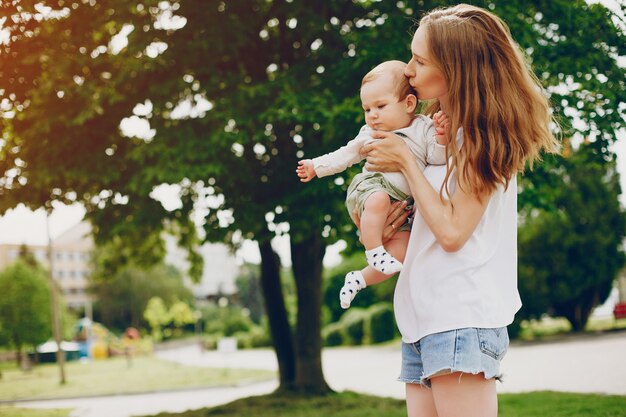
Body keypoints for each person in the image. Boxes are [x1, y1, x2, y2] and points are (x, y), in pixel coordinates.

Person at [358, 4, 560, 417]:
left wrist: (406, 163)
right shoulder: (437, 133)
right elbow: (430, 215)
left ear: (454, 68)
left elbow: (453, 232)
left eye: (420, 60)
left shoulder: (484, 136)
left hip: (459, 318)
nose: (408, 69)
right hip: (421, 319)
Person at [296, 60, 449, 308]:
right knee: (378, 200)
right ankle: (373, 250)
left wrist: (442, 137)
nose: (372, 115)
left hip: (402, 205)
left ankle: (359, 278)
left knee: (402, 251)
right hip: (371, 187)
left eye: (380, 106)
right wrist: (316, 167)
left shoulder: (424, 128)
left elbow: (438, 158)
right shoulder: (370, 133)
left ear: (409, 104)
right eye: (367, 109)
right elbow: (345, 155)